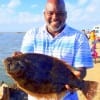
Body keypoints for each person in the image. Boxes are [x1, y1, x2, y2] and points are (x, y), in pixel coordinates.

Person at [13, 0, 93, 100]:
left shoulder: (79, 37)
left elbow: (82, 70)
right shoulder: (31, 34)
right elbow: (27, 68)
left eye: (60, 13)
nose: (55, 17)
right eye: (50, 13)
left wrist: (77, 78)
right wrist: (20, 60)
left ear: (66, 15)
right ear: (44, 14)